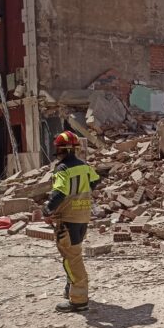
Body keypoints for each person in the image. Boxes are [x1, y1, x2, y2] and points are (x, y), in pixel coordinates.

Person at [42, 131, 100, 313]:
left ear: (60, 150)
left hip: (67, 219)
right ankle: (72, 288)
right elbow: (95, 180)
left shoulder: (62, 169)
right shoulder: (84, 166)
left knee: (72, 258)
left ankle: (79, 300)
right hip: (83, 217)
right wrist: (83, 193)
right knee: (74, 253)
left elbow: (59, 193)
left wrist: (47, 210)